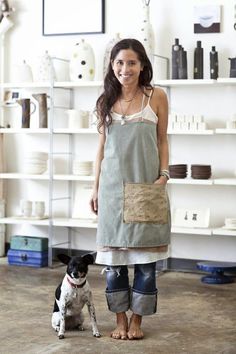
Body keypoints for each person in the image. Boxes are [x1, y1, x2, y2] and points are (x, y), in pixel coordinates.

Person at [90, 38, 171, 340]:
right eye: (119, 63)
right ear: (112, 66)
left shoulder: (156, 97)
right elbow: (100, 149)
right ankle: (120, 320)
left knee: (146, 262)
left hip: (145, 187)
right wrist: (95, 188)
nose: (125, 69)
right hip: (111, 191)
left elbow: (163, 140)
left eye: (132, 63)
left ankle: (137, 321)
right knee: (114, 264)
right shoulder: (105, 101)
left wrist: (164, 175)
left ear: (142, 65)